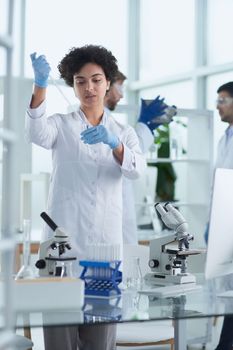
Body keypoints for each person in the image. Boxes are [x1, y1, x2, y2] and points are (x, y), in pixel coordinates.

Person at [25, 45, 145, 350]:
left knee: (100, 342)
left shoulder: (124, 132)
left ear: (108, 82)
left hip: (103, 254)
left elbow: (136, 169)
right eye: (80, 81)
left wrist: (115, 144)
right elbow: (37, 133)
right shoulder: (61, 126)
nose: (89, 87)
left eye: (96, 79)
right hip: (60, 253)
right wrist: (40, 84)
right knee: (59, 342)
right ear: (72, 85)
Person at [104, 71, 174, 244]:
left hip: (118, 208)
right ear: (105, 85)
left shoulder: (111, 123)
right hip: (109, 211)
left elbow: (131, 157)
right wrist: (144, 125)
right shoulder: (104, 125)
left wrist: (146, 127)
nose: (121, 94)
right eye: (119, 87)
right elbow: (131, 156)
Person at [204, 82, 233, 350]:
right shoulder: (225, 137)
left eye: (223, 100)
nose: (217, 106)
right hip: (223, 225)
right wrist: (211, 223)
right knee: (227, 296)